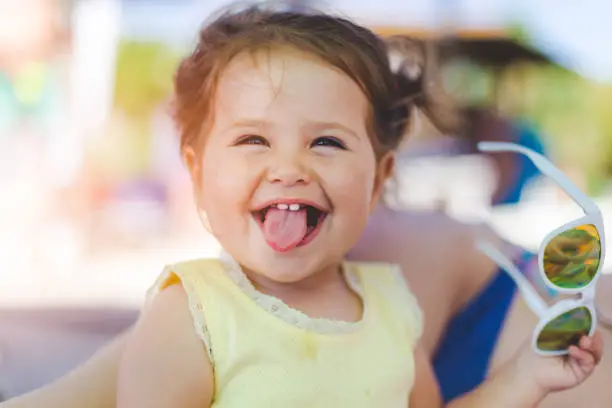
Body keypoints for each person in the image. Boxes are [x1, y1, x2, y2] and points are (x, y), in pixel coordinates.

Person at [0, 5, 605, 408]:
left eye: (326, 142)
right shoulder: (194, 313)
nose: (290, 166)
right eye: (253, 140)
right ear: (196, 170)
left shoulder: (391, 305)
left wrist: (526, 378)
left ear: (378, 180)